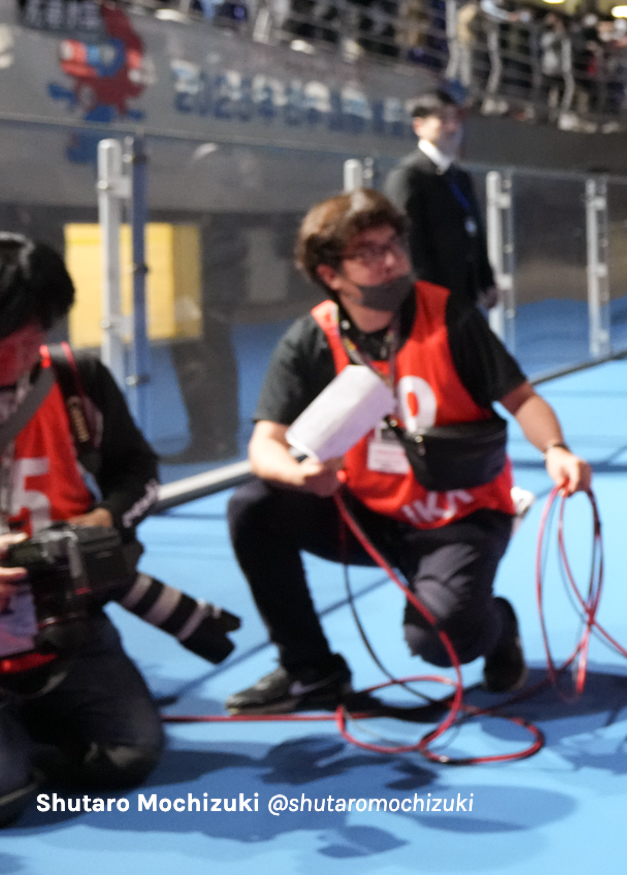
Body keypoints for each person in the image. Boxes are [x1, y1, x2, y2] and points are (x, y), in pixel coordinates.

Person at [224, 190, 591, 714]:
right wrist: (299, 475)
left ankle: (497, 623)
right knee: (254, 506)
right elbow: (265, 443)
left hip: (459, 513)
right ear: (331, 275)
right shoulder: (311, 338)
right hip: (368, 512)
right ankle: (310, 670)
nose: (391, 258)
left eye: (393, 243)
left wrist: (556, 449)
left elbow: (522, 398)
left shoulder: (449, 315)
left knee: (440, 642)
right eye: (368, 252)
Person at [0, 235, 163, 826]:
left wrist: (103, 521)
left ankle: (26, 731)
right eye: (16, 331)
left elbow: (138, 474)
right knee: (5, 796)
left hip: (63, 619)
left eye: (36, 328)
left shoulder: (75, 379)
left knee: (131, 754)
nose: (28, 345)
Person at [384, 91, 498, 311]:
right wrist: (426, 300)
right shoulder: (408, 177)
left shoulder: (460, 177)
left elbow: (475, 232)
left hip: (466, 296)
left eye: (456, 119)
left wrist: (486, 280)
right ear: (419, 126)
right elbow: (408, 247)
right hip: (433, 303)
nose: (453, 127)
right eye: (443, 119)